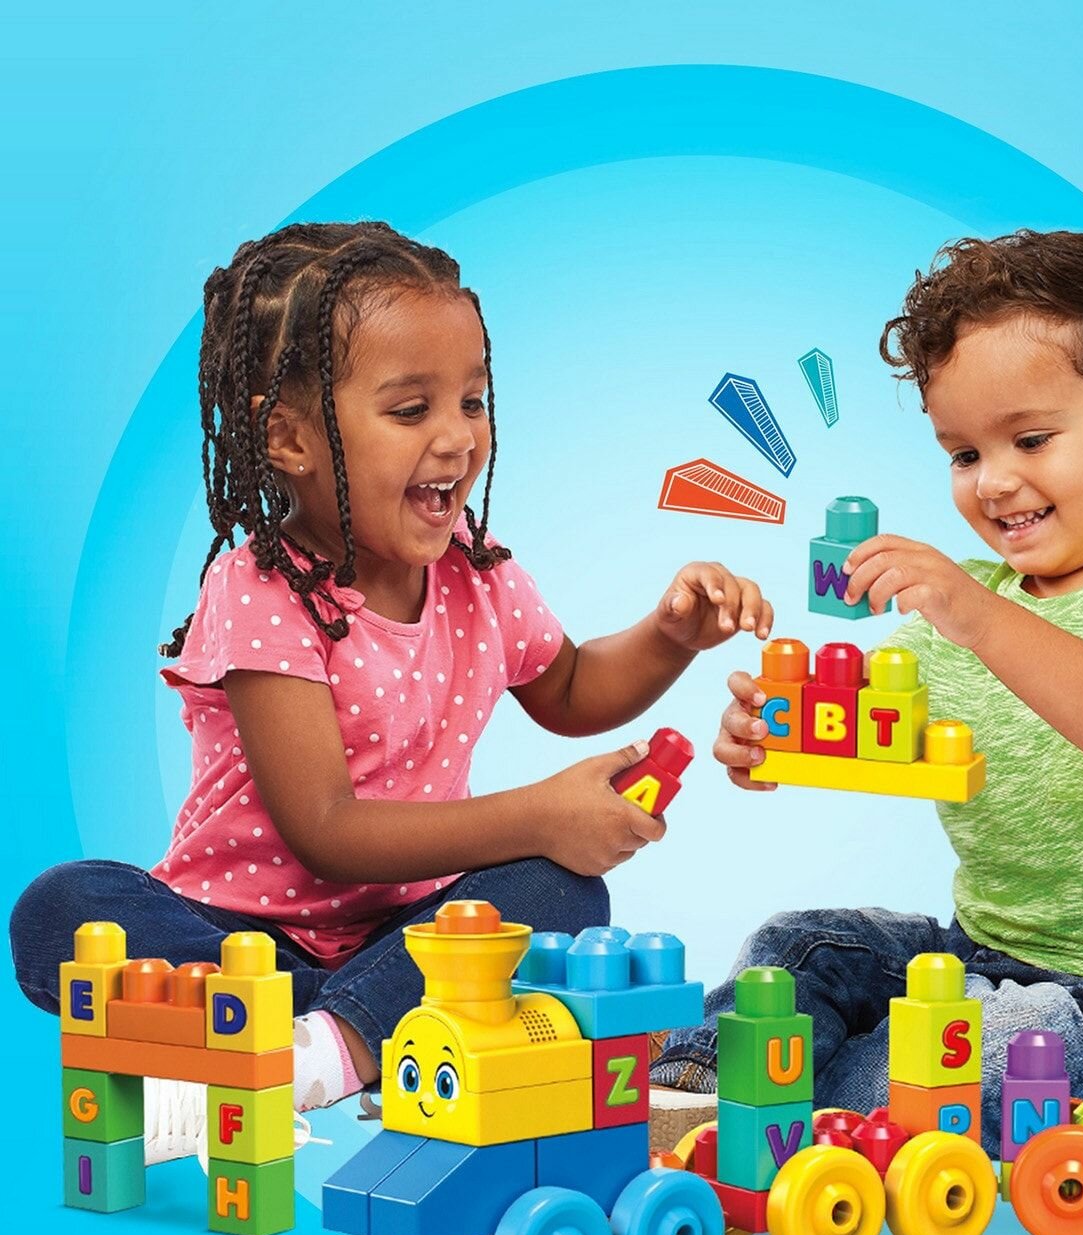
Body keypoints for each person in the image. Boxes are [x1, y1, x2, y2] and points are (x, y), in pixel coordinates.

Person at [11, 220, 772, 1161]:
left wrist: (669, 636)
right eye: (411, 410)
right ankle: (352, 1036)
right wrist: (538, 814)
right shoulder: (260, 594)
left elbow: (572, 687)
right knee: (62, 907)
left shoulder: (477, 573)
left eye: (473, 400)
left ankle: (312, 1051)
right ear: (289, 438)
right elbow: (325, 829)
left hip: (409, 936)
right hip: (235, 940)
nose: (458, 437)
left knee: (562, 889)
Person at [651, 230, 1083, 1153]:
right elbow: (861, 723)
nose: (993, 483)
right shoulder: (962, 613)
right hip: (982, 955)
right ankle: (691, 1094)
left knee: (982, 1051)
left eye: (1030, 440)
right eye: (962, 454)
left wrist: (980, 616)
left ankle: (795, 1116)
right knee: (802, 945)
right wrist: (771, 730)